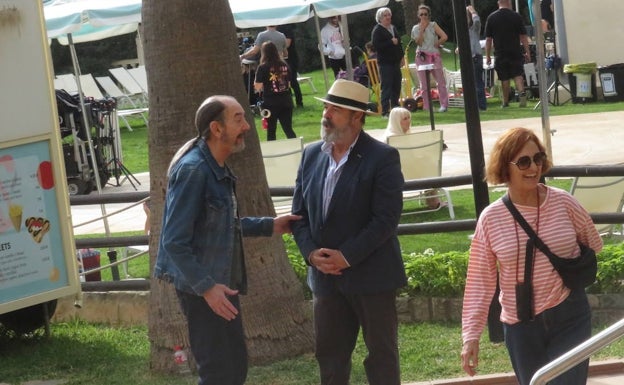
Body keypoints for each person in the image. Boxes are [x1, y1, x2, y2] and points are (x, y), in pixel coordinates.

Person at [154, 95, 301, 385]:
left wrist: (270, 226)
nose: (247, 126)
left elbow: (220, 225)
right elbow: (173, 241)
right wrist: (207, 289)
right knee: (219, 374)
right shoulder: (194, 170)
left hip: (220, 286)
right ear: (216, 128)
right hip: (204, 291)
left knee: (234, 369)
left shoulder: (215, 167)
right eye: (238, 119)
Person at [460, 127, 603, 385]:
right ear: (505, 167)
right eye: (523, 161)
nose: (533, 167)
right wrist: (471, 336)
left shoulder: (564, 204)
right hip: (520, 325)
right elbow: (480, 282)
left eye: (538, 159)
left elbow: (593, 243)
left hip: (569, 315)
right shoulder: (491, 219)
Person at [291, 79, 407, 385]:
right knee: (330, 358)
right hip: (325, 280)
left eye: (336, 110)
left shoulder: (382, 157)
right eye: (327, 107)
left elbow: (386, 218)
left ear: (357, 117)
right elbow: (298, 216)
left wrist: (347, 256)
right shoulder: (311, 154)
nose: (326, 114)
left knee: (381, 358)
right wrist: (312, 255)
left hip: (371, 278)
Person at [484, 0, 531, 108]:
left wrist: (487, 55)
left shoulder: (491, 17)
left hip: (500, 52)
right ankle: (522, 96)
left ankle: (505, 102)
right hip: (515, 51)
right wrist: (527, 52)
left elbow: (488, 39)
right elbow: (523, 36)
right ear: (509, 2)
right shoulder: (516, 16)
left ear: (498, 2)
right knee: (518, 74)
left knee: (504, 78)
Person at [254, 41, 297, 141]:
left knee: (271, 130)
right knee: (288, 128)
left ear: (263, 53)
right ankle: (297, 149)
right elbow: (289, 84)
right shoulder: (284, 65)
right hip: (286, 100)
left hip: (270, 102)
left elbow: (258, 86)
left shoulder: (262, 67)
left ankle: (272, 153)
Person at [411, 5, 449, 113]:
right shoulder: (415, 28)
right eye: (421, 14)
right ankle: (427, 107)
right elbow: (418, 42)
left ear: (428, 15)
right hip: (421, 56)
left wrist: (438, 43)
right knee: (424, 84)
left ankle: (444, 105)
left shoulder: (433, 25)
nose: (423, 16)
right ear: (418, 15)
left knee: (440, 82)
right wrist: (422, 29)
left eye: (425, 14)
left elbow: (444, 36)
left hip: (434, 56)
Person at [372, 7, 404, 118]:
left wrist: (402, 57)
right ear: (380, 18)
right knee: (386, 87)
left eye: (388, 15)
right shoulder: (377, 30)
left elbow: (399, 43)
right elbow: (376, 46)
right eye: (385, 15)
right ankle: (385, 111)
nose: (387, 17)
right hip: (385, 63)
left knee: (396, 85)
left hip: (395, 62)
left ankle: (395, 108)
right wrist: (390, 42)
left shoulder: (393, 28)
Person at [278, 24, 304, 108]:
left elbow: (287, 44)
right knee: (284, 82)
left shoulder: (287, 29)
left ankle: (299, 102)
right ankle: (289, 103)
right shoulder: (278, 29)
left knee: (293, 81)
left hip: (291, 59)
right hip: (283, 59)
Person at [466, 5, 487, 111]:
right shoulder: (463, 31)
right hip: (466, 58)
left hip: (475, 58)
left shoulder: (474, 29)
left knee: (478, 83)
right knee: (469, 83)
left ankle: (481, 106)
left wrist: (472, 11)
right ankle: (473, 105)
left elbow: (477, 21)